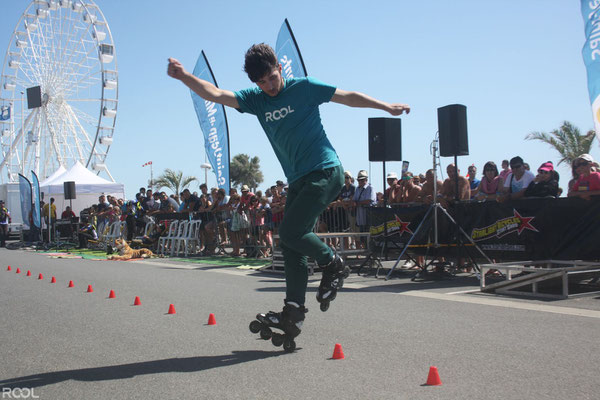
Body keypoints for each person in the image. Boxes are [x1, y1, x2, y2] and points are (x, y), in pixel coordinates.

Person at [168, 43, 409, 347]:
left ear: (279, 69)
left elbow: (346, 97)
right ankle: (293, 310)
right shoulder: (254, 99)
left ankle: (333, 262)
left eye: (272, 78)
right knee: (292, 243)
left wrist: (386, 106)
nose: (269, 86)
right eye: (262, 82)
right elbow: (214, 94)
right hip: (297, 181)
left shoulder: (303, 88)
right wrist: (184, 76)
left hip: (325, 170)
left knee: (291, 230)